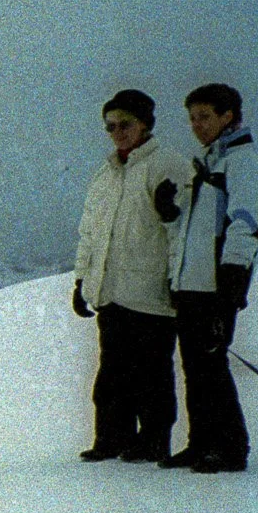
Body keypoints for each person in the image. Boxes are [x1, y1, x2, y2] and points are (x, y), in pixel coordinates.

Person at [71, 89, 193, 462]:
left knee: (151, 375)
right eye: (110, 126)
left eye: (126, 124)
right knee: (111, 374)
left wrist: (177, 280)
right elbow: (90, 232)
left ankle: (153, 439)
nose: (118, 132)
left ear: (145, 124)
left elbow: (180, 230)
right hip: (111, 290)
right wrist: (82, 280)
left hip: (151, 291)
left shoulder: (167, 166)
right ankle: (111, 437)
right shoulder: (106, 174)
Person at [162, 83, 258, 473]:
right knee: (194, 366)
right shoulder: (210, 163)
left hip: (216, 287)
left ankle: (230, 447)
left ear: (229, 116)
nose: (196, 125)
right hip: (193, 285)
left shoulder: (243, 164)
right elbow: (194, 229)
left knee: (210, 365)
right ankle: (202, 442)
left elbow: (244, 222)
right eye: (192, 118)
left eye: (204, 116)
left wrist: (231, 279)